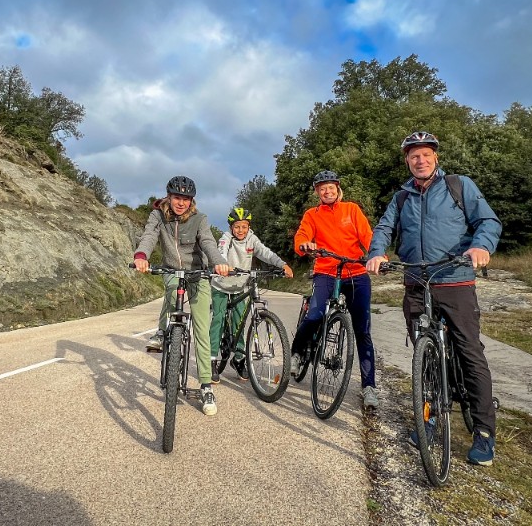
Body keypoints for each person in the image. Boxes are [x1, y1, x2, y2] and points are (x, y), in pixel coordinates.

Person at [365, 131, 502, 466]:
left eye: (426, 154)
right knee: (423, 356)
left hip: (454, 280)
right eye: (414, 156)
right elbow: (384, 228)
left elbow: (487, 220)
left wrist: (481, 246)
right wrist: (377, 253)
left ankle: (484, 432)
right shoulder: (401, 197)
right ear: (407, 161)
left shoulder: (459, 185)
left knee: (470, 351)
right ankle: (427, 416)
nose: (420, 160)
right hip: (415, 282)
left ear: (435, 158)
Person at [132, 175, 230, 416]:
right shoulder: (158, 216)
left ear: (191, 201)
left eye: (186, 199)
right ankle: (162, 330)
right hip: (171, 269)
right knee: (171, 287)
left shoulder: (200, 219)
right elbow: (149, 236)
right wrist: (142, 255)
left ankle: (206, 385)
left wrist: (219, 263)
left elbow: (208, 242)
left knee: (201, 328)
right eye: (177, 197)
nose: (181, 202)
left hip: (198, 273)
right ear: (169, 197)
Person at [291, 170, 379, 409]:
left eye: (330, 187)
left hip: (356, 272)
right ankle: (297, 353)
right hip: (327, 271)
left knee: (363, 329)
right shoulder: (313, 214)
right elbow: (302, 235)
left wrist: (377, 255)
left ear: (338, 188)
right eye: (322, 188)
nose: (327, 191)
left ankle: (369, 386)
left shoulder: (351, 210)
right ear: (317, 192)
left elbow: (368, 236)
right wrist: (304, 244)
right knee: (314, 315)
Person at [209, 208, 293, 384]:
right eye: (237, 227)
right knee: (218, 320)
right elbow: (220, 252)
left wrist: (282, 264)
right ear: (231, 227)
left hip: (240, 286)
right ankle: (212, 360)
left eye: (244, 227)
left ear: (249, 227)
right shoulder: (226, 239)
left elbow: (265, 253)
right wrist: (223, 265)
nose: (241, 230)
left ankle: (238, 359)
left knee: (240, 321)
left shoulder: (252, 239)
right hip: (221, 285)